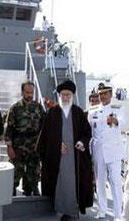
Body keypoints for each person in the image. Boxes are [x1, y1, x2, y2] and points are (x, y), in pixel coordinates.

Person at [36, 80, 93, 221]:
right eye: (63, 95)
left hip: (74, 158)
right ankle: (59, 210)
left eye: (68, 95)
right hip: (57, 157)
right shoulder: (52, 113)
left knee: (73, 184)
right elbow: (44, 137)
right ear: (59, 96)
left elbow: (87, 133)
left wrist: (81, 142)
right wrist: (56, 146)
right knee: (59, 184)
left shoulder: (78, 113)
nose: (65, 98)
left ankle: (72, 212)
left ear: (72, 95)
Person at [88, 82, 126, 220]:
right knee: (99, 181)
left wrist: (116, 121)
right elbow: (90, 131)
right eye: (101, 94)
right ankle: (102, 211)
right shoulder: (93, 111)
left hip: (114, 151)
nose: (103, 96)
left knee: (115, 182)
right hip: (98, 152)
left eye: (105, 93)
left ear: (110, 94)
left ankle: (117, 215)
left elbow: (125, 124)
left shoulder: (118, 108)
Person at [4, 80, 45, 196]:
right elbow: (9, 128)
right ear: (22, 92)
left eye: (32, 92)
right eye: (27, 92)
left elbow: (44, 126)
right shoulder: (15, 108)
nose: (30, 95)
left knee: (33, 173)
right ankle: (11, 193)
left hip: (34, 146)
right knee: (15, 173)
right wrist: (9, 147)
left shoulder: (38, 108)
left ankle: (32, 189)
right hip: (18, 146)